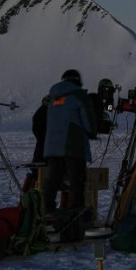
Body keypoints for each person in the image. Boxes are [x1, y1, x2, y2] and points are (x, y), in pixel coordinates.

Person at [42, 69, 96, 214]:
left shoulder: (52, 98)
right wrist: (93, 132)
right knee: (77, 181)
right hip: (73, 144)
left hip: (52, 146)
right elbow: (88, 121)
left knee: (52, 180)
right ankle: (77, 212)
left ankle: (47, 211)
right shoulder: (79, 95)